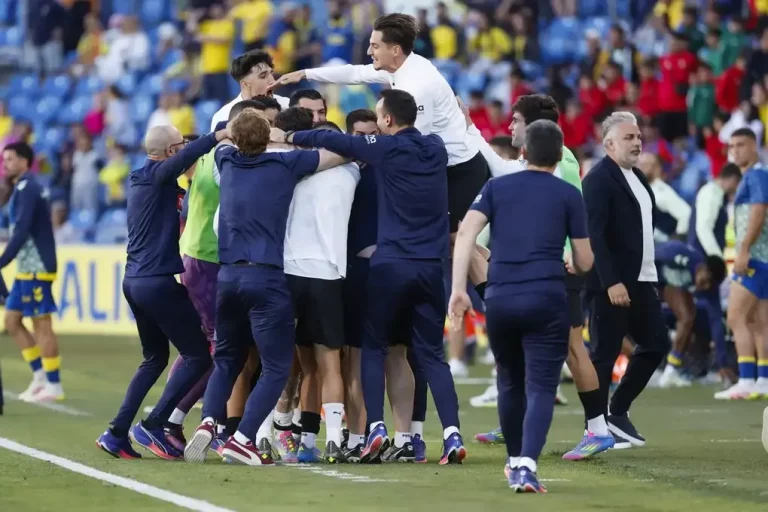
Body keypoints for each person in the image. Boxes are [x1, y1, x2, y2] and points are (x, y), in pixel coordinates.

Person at [270, 89, 465, 465]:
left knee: (373, 348)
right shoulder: (437, 148)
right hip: (431, 266)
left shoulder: (385, 149)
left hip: (391, 263)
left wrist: (291, 136)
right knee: (430, 356)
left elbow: (332, 138)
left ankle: (375, 428)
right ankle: (451, 434)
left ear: (388, 121)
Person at [184, 109, 346, 466]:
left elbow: (220, 140)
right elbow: (342, 152)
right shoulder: (286, 165)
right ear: (267, 134)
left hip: (228, 277)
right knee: (276, 366)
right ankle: (243, 438)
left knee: (226, 357)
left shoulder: (225, 161)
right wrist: (286, 138)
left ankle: (210, 421)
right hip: (267, 276)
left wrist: (230, 133)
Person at [449, 120, 594, 492]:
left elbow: (465, 231)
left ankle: (513, 461)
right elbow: (585, 258)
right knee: (541, 387)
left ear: (523, 151)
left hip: (501, 296)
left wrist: (458, 289)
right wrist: (575, 265)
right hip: (547, 297)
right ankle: (527, 465)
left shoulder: (496, 187)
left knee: (509, 380)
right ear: (560, 154)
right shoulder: (568, 195)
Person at [270, 13, 490, 239]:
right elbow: (355, 73)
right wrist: (305, 73)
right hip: (446, 164)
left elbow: (414, 148)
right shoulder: (404, 65)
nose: (368, 52)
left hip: (460, 170)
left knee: (454, 240)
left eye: (374, 46)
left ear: (395, 50)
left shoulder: (419, 85)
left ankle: (494, 275)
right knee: (452, 241)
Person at [96, 122, 229, 460]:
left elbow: (180, 155)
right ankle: (155, 424)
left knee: (154, 359)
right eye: (180, 146)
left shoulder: (142, 177)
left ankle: (116, 433)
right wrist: (218, 137)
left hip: (135, 282)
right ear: (171, 152)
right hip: (156, 283)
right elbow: (182, 157)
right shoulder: (157, 176)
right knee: (200, 355)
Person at [162, 99, 267, 454]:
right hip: (207, 259)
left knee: (207, 347)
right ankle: (170, 419)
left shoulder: (212, 156)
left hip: (202, 258)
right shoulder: (227, 161)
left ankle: (176, 416)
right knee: (218, 350)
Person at [582, 111, 671, 449]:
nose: (637, 143)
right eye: (629, 138)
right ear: (608, 144)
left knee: (656, 345)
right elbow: (595, 235)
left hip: (642, 279)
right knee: (603, 356)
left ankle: (616, 413)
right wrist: (611, 281)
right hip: (614, 282)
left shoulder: (637, 176)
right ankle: (595, 428)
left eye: (638, 137)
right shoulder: (599, 178)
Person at [277, 109, 360, 463]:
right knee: (329, 364)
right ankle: (330, 439)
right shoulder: (354, 172)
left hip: (291, 270)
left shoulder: (293, 169)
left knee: (290, 363)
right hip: (329, 275)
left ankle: (269, 434)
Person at [0, 142, 62, 403]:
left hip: (36, 266)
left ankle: (54, 384)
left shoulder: (28, 188)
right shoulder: (21, 188)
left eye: (11, 159)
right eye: (5, 160)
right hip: (26, 268)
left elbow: (23, 228)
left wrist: (3, 261)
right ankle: (39, 376)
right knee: (12, 321)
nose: (6, 164)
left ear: (26, 161)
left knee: (41, 324)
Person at [720, 128, 768, 400]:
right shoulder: (754, 176)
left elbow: (759, 210)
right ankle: (763, 380)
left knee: (736, 317)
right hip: (763, 258)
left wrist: (745, 250)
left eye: (741, 145)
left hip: (755, 257)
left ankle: (746, 379)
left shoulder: (756, 175)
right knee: (760, 321)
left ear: (754, 147)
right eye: (732, 146)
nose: (735, 151)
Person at [688, 162, 742, 385]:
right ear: (731, 179)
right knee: (712, 315)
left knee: (705, 316)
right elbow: (703, 229)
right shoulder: (711, 194)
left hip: (705, 262)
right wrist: (715, 261)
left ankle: (705, 366)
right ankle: (722, 367)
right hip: (705, 264)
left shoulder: (713, 195)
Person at [655, 240, 727, 387]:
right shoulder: (685, 258)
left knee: (690, 317)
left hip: (666, 283)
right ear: (703, 268)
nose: (704, 287)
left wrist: (723, 363)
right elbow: (659, 253)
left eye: (709, 285)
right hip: (647, 274)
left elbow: (716, 320)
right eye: (706, 281)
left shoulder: (709, 288)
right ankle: (666, 370)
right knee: (687, 317)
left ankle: (672, 368)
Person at [210, 50, 291, 131]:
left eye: (271, 73)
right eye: (263, 76)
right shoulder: (224, 116)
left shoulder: (287, 106)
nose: (273, 81)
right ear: (245, 84)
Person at [637, 152, 691, 241]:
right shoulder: (639, 189)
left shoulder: (661, 191)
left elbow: (686, 214)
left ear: (656, 169)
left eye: (645, 165)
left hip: (661, 244)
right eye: (639, 164)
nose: (640, 168)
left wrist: (677, 238)